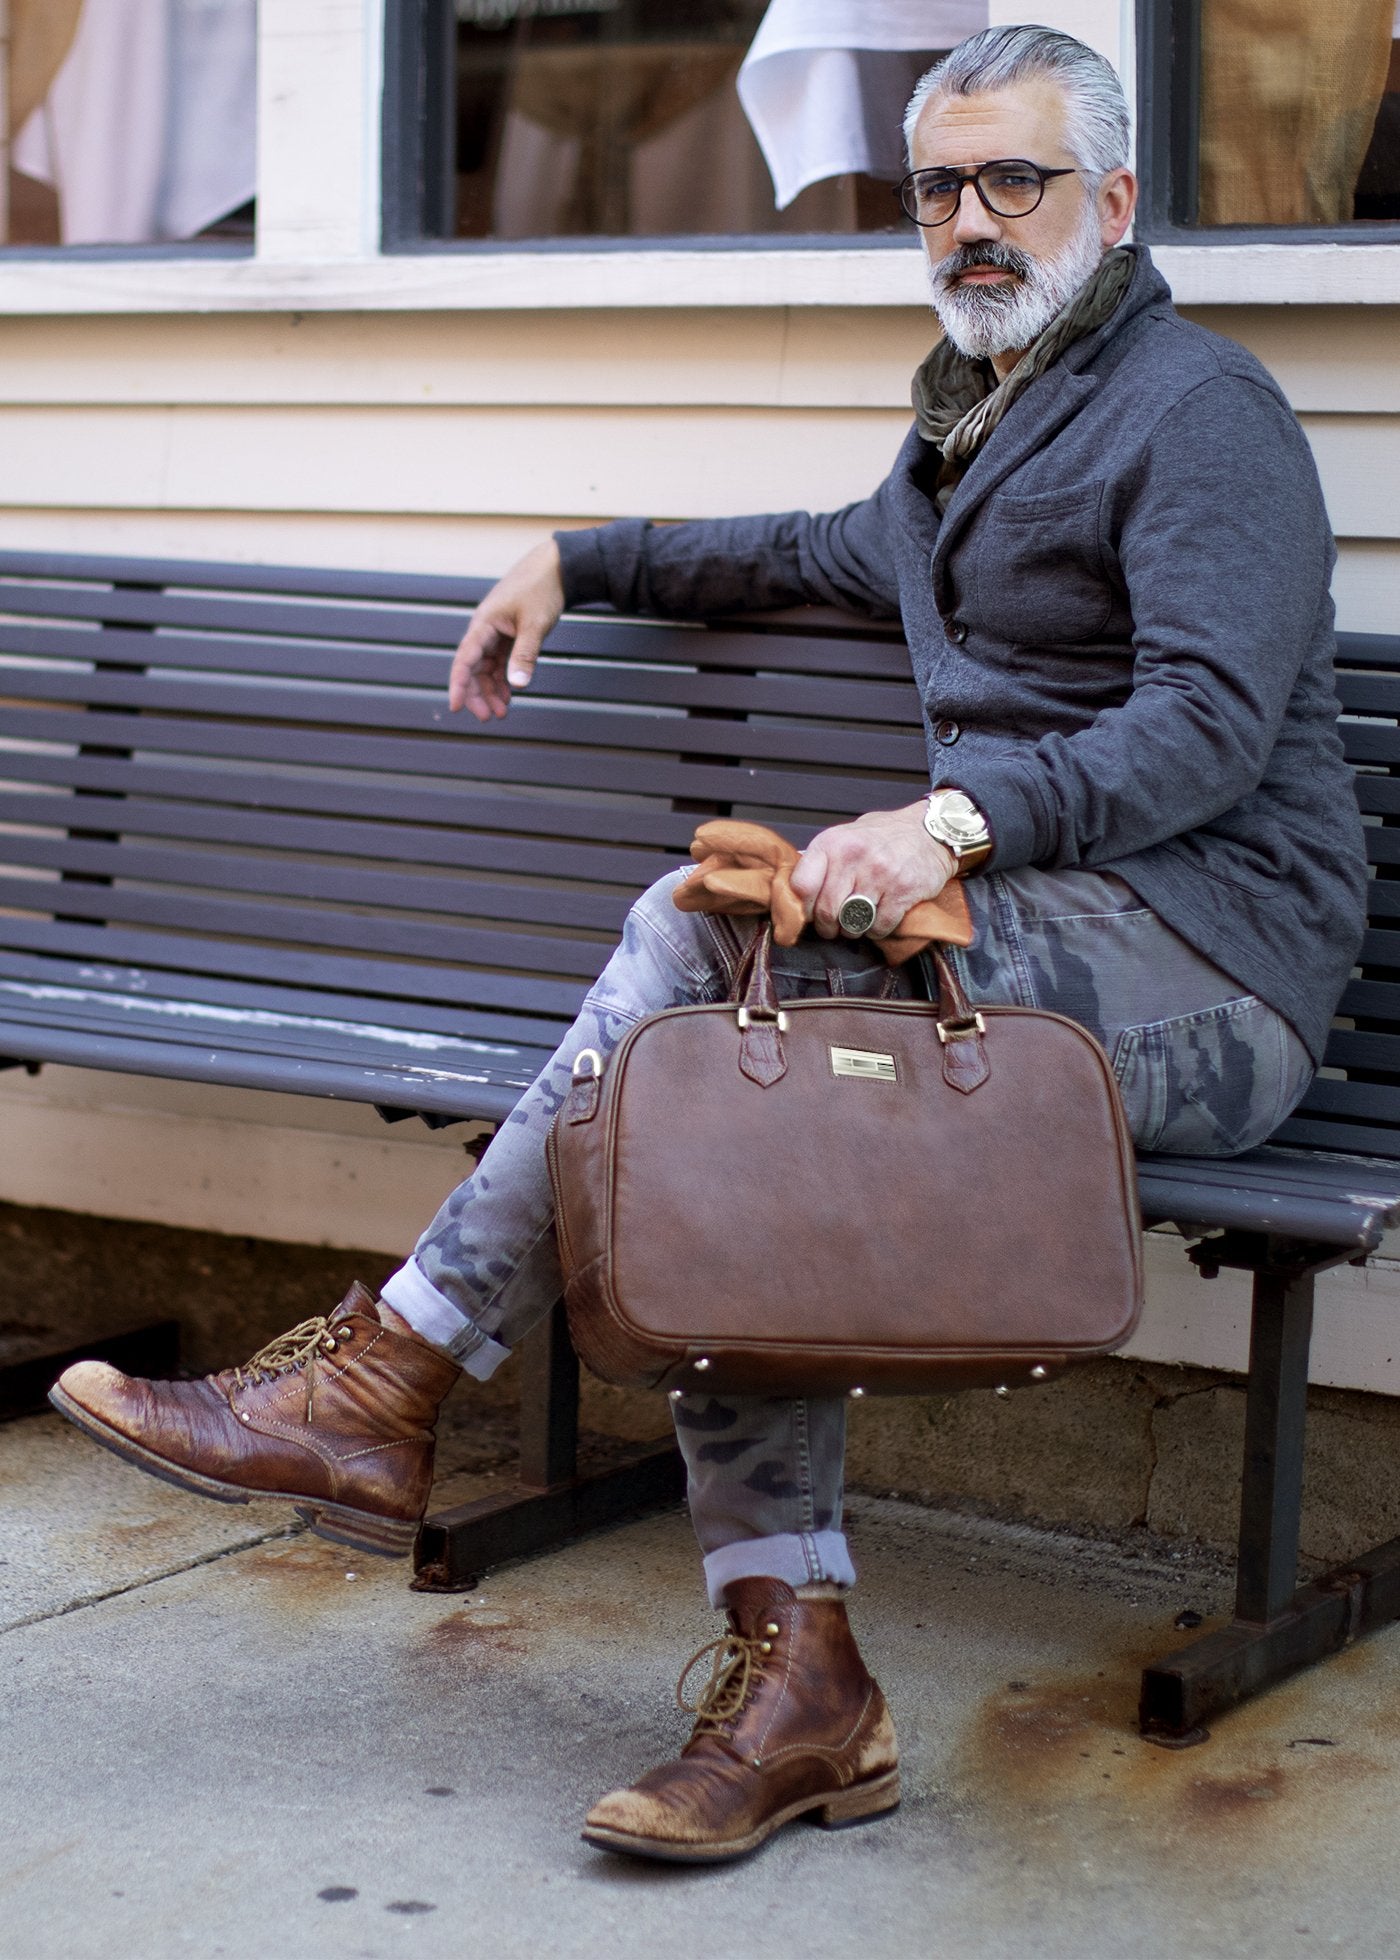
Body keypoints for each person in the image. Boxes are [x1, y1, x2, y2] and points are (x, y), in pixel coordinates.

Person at [48, 24, 1367, 1866]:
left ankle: (395, 1381)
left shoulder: (1196, 409)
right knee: (739, 1076)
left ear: (1115, 202)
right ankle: (790, 1667)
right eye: (939, 189)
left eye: (1014, 185)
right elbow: (806, 547)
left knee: (716, 994)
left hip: (1215, 972)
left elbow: (1211, 724)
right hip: (1028, 953)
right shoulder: (965, 434)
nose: (972, 223)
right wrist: (584, 559)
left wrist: (949, 825)